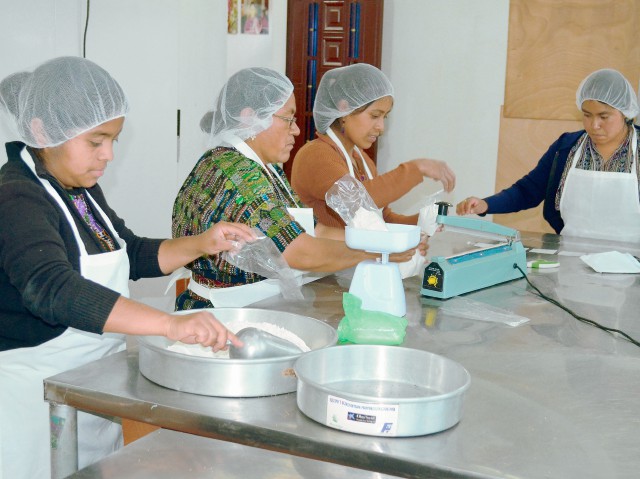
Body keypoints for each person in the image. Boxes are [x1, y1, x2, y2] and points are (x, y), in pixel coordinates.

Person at [0, 56, 255, 479]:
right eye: (96, 141)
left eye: (113, 140)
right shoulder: (17, 198)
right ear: (44, 132)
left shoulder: (77, 187)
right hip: (33, 402)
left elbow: (129, 252)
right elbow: (54, 289)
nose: (109, 155)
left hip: (87, 387)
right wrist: (168, 325)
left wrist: (202, 243)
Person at [172, 67, 423, 310]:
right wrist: (374, 252)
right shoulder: (238, 173)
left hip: (255, 305)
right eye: (288, 119)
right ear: (250, 118)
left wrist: (383, 241)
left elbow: (315, 229)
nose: (296, 129)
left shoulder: (268, 169)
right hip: (223, 314)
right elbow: (299, 251)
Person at [456, 68, 640, 242]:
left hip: (633, 258)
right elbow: (527, 190)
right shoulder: (566, 148)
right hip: (571, 254)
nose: (594, 125)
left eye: (604, 117)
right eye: (587, 115)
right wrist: (485, 205)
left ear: (625, 113)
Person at [290, 63, 456, 228]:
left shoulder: (362, 160)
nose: (381, 127)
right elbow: (358, 203)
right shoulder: (316, 156)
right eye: (375, 115)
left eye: (385, 117)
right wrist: (416, 168)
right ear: (345, 109)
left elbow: (381, 219)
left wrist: (422, 222)